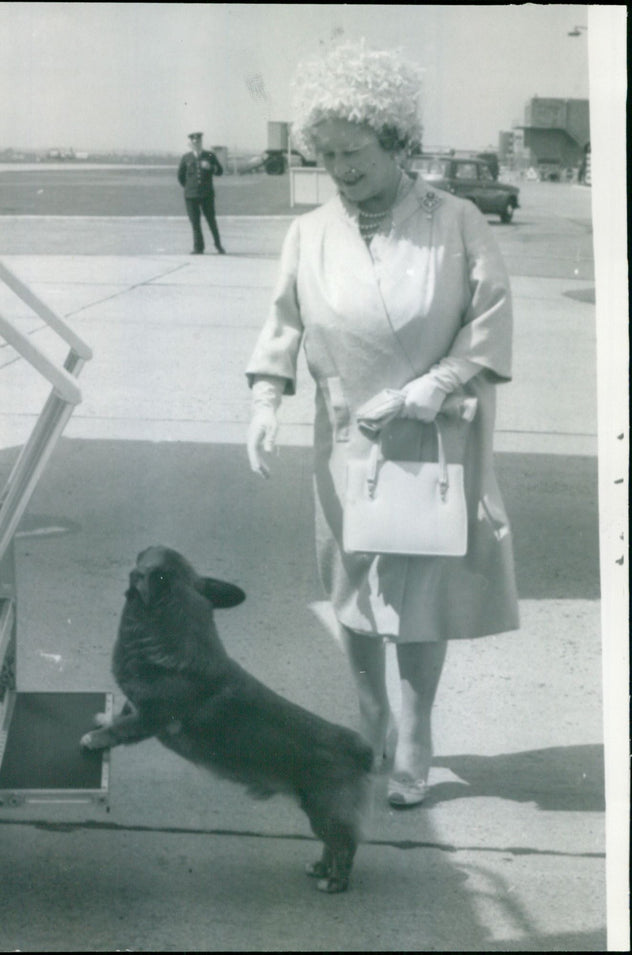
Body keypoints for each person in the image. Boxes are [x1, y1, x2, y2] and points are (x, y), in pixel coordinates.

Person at [245, 42, 519, 807]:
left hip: (433, 437)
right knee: (354, 586)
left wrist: (438, 382)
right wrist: (266, 400)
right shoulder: (309, 232)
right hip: (348, 442)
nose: (341, 168)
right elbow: (282, 325)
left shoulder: (456, 219)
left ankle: (417, 727)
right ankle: (370, 713)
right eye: (326, 154)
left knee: (423, 590)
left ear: (396, 139)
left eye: (355, 152)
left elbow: (490, 318)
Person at [177, 132, 225, 255]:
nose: (196, 144)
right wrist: (189, 187)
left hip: (206, 194)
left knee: (211, 220)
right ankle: (198, 248)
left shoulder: (209, 155)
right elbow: (181, 177)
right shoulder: (186, 157)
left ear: (201, 142)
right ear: (190, 144)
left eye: (198, 142)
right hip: (191, 195)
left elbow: (220, 171)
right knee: (195, 222)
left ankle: (218, 245)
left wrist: (210, 167)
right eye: (194, 142)